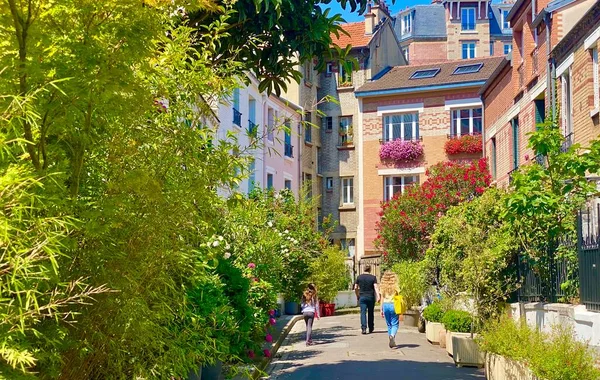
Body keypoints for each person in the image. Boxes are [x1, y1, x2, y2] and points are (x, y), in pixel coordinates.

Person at [354, 265, 380, 334]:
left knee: (363, 312)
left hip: (362, 297)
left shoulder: (359, 277)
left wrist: (357, 295)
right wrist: (378, 296)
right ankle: (371, 327)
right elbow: (376, 287)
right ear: (370, 269)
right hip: (370, 297)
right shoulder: (373, 277)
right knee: (371, 312)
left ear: (363, 269)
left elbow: (355, 287)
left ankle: (364, 328)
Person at [379, 271, 400, 348]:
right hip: (393, 304)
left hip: (385, 305)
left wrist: (381, 309)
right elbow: (398, 296)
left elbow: (382, 298)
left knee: (389, 324)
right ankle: (392, 336)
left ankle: (391, 339)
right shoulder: (396, 286)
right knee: (395, 323)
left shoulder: (382, 286)